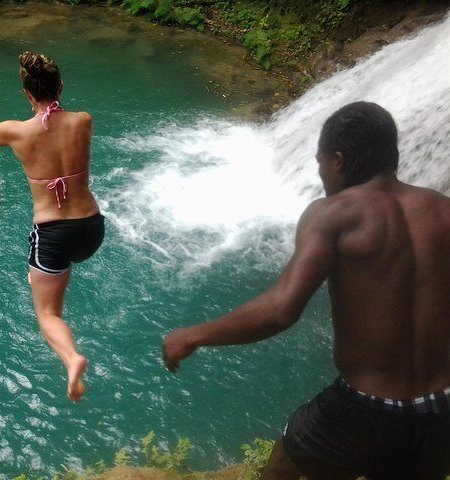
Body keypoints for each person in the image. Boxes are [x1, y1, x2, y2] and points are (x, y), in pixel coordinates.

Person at [162, 102, 450, 479]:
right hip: (439, 410)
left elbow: (282, 309)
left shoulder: (332, 214)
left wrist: (193, 336)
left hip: (364, 407)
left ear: (338, 161)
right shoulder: (443, 210)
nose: (318, 173)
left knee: (285, 462)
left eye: (319, 162)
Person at [0, 53, 105, 402]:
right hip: (90, 229)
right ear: (59, 87)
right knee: (54, 268)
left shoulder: (18, 132)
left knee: (47, 313)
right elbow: (58, 120)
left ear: (28, 95)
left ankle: (72, 359)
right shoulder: (83, 121)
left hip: (53, 235)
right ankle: (43, 274)